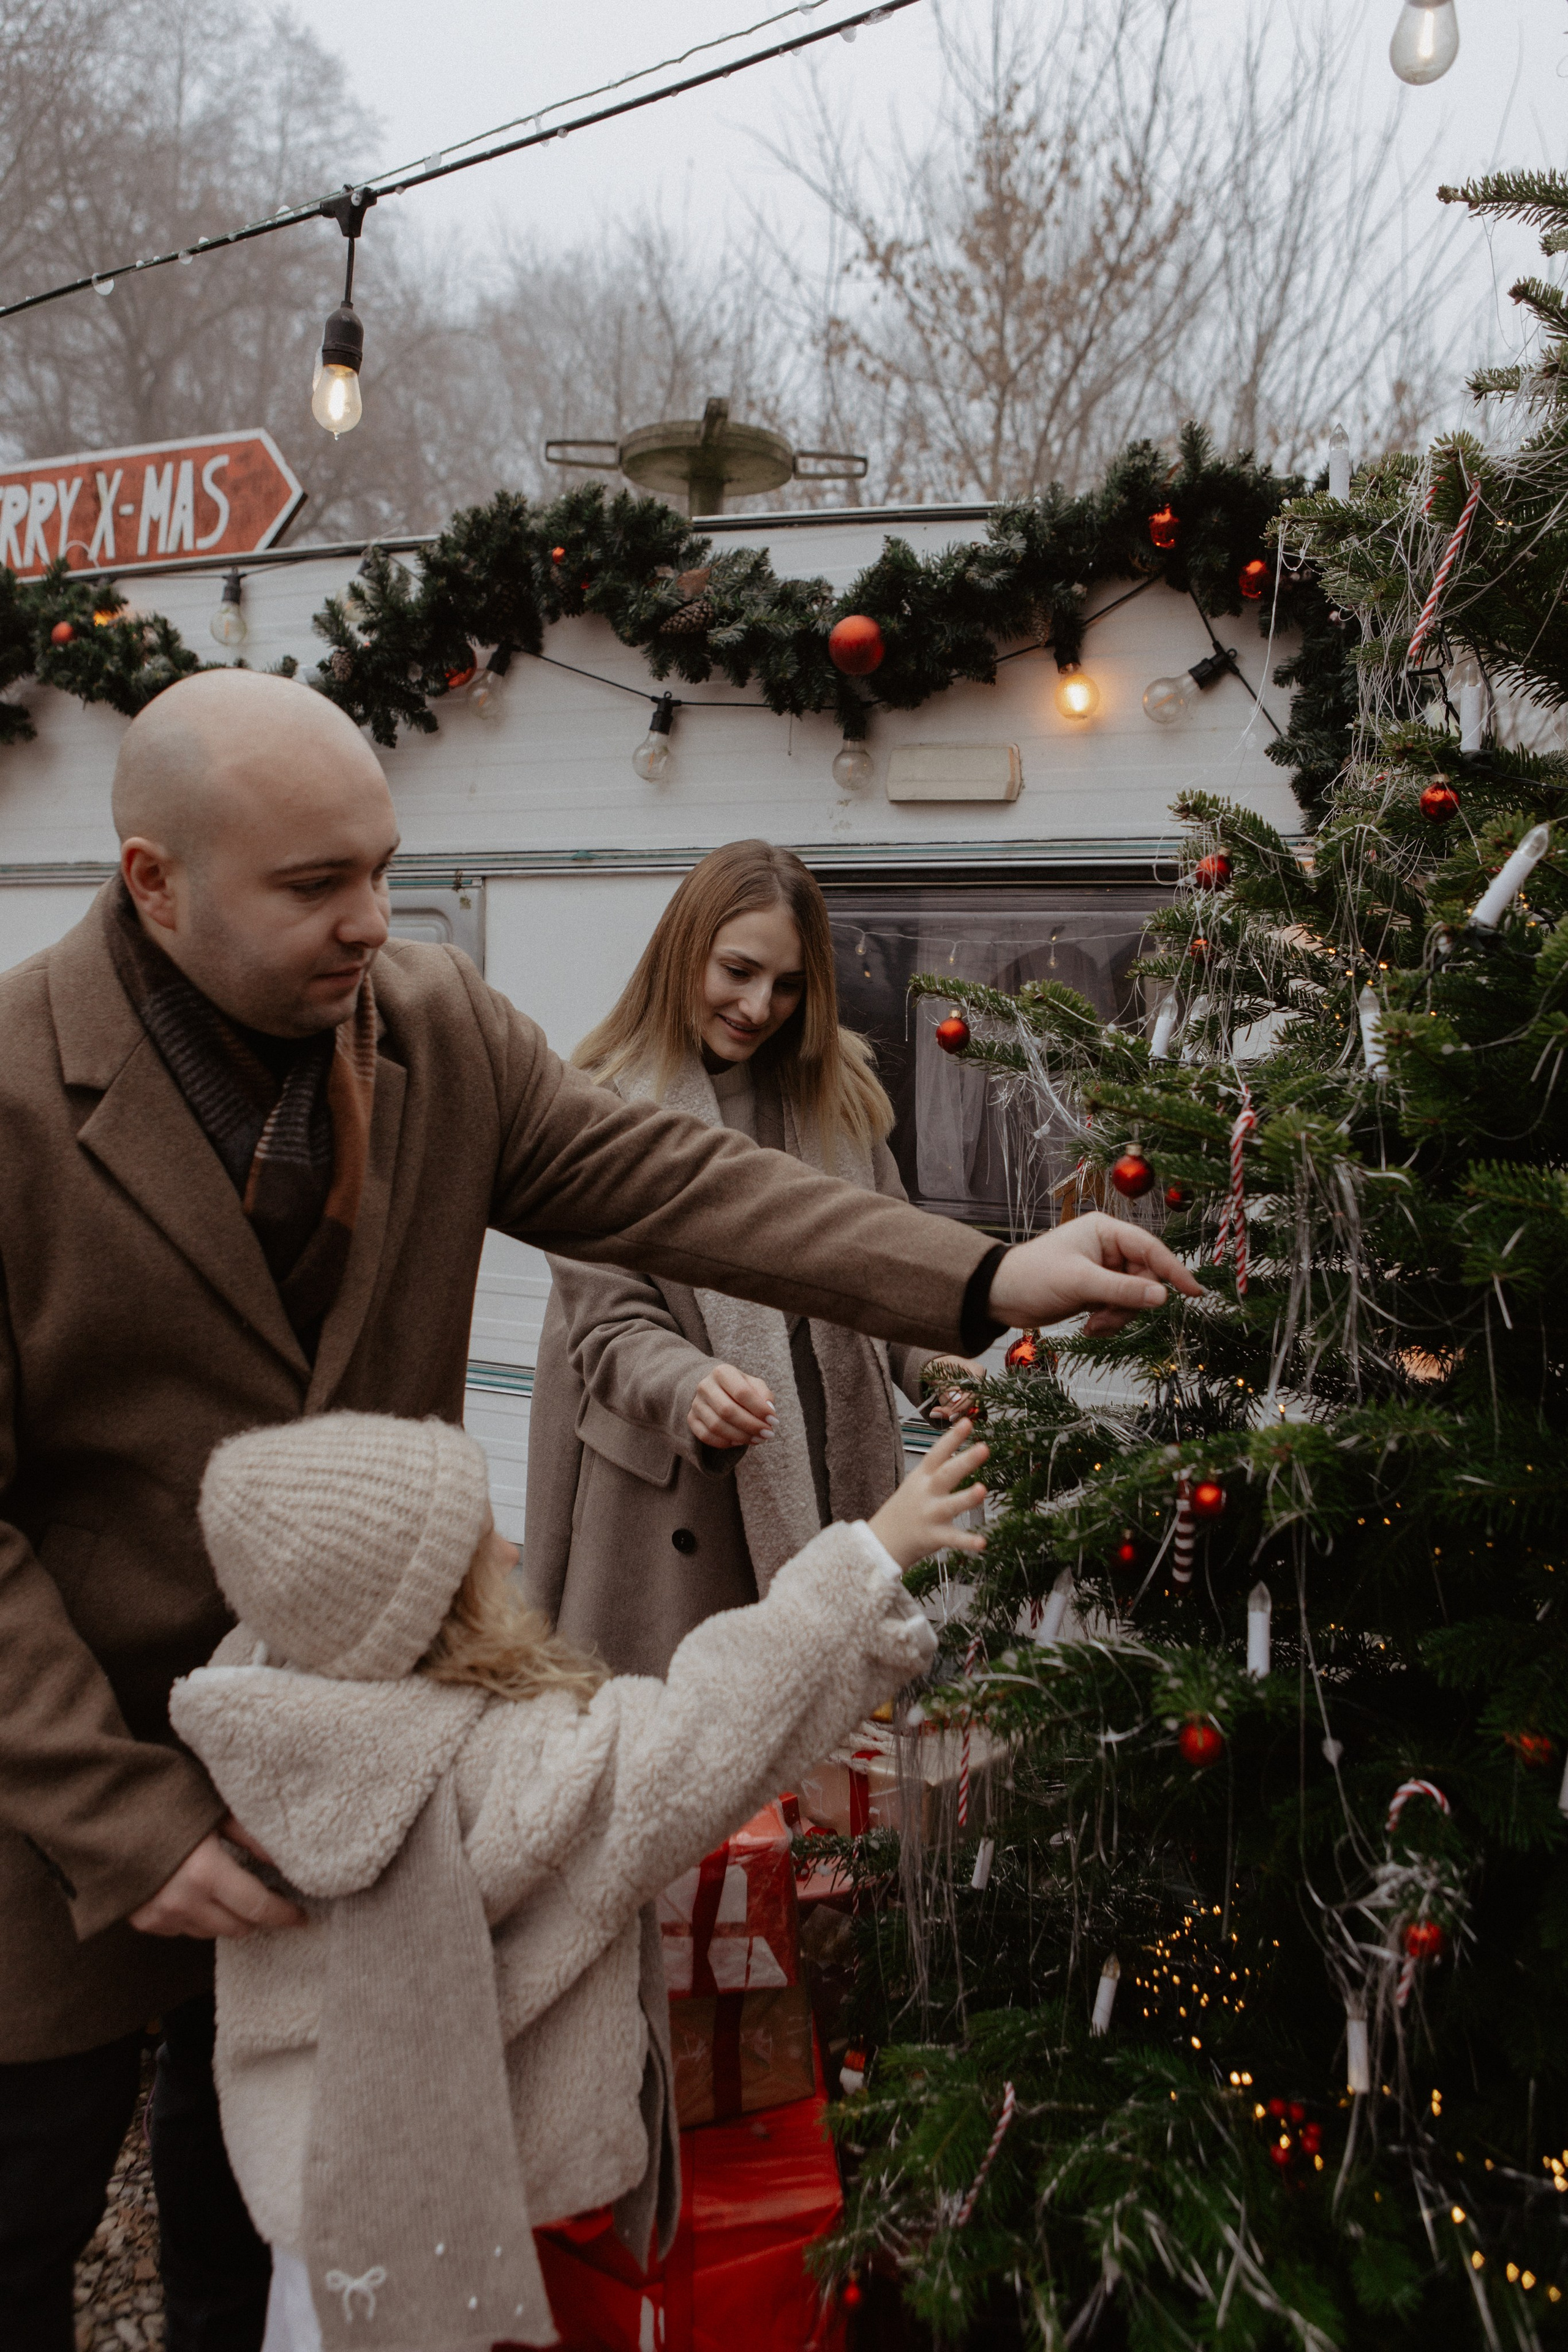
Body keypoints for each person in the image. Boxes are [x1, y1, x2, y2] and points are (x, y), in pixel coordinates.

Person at [0, 666, 1198, 2351]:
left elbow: (676, 1184)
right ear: (152, 881)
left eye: (385, 869)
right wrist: (128, 1823)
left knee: (275, 2244)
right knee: (26, 2216)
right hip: (58, 1798)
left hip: (356, 1804)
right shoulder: (7, 1097)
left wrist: (988, 1271)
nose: (373, 921)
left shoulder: (431, 1034)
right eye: (313, 887)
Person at [169, 1406, 981, 2352]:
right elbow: (701, 1731)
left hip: (322, 2194)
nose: (513, 1551)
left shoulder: (269, 1715)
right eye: (478, 1551)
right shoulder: (499, 1777)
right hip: (450, 2210)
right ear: (416, 1615)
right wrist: (870, 1559)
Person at [522, 840, 989, 1675]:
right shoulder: (597, 1104)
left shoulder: (837, 1101)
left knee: (823, 1739)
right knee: (690, 1752)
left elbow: (884, 1267)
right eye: (736, 971)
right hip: (677, 1490)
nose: (757, 1005)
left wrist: (940, 1371)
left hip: (823, 1466)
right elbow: (610, 1326)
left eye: (788, 985)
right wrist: (691, 1385)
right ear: (682, 953)